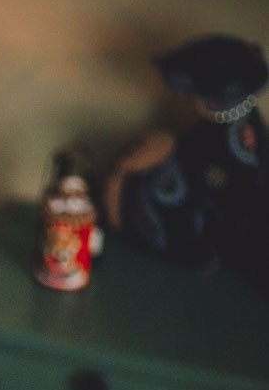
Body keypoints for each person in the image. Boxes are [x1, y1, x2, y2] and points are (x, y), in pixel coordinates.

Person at [103, 34, 268, 289]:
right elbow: (198, 148)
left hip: (221, 230)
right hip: (213, 196)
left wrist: (161, 154)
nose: (192, 101)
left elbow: (214, 179)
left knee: (163, 192)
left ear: (214, 97)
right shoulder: (230, 120)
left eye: (195, 95)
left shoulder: (239, 141)